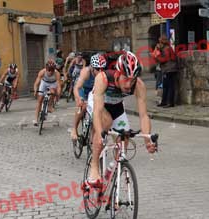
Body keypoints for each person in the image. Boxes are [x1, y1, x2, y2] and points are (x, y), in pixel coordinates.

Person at [86, 50, 156, 185]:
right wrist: (100, 135)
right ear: (117, 73)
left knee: (124, 137)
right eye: (126, 78)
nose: (129, 84)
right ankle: (94, 167)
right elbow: (97, 110)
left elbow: (143, 115)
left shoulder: (138, 85)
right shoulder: (103, 78)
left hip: (117, 106)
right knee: (105, 122)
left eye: (132, 80)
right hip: (98, 104)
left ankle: (112, 168)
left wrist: (148, 139)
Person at [71, 54, 106, 141]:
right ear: (92, 67)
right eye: (97, 69)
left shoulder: (103, 74)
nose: (100, 71)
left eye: (102, 69)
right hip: (83, 90)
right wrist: (79, 99)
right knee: (82, 107)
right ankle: (74, 129)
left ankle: (92, 137)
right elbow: (76, 88)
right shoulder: (85, 72)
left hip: (94, 91)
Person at [33, 59, 61, 126]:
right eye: (49, 70)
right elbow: (36, 83)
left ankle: (50, 105)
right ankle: (36, 119)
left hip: (53, 84)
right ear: (46, 68)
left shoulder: (57, 74)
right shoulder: (42, 72)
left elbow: (59, 86)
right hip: (44, 83)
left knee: (53, 92)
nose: (50, 72)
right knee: (39, 100)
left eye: (52, 70)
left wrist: (58, 95)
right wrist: (35, 90)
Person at [153, 36, 178, 108]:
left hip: (169, 69)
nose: (158, 44)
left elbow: (165, 59)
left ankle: (170, 103)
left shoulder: (166, 49)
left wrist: (157, 57)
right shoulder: (166, 48)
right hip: (168, 69)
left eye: (160, 42)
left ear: (163, 43)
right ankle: (164, 102)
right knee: (166, 86)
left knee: (169, 86)